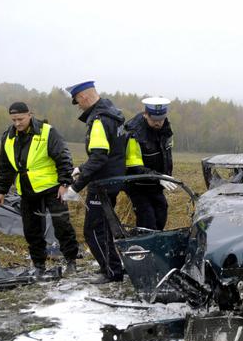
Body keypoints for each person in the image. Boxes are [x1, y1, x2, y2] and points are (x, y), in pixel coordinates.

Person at [0, 102, 79, 277]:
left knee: (62, 225)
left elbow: (63, 157)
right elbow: (5, 166)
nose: (17, 123)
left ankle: (71, 261)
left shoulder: (47, 132)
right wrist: (1, 190)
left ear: (30, 114)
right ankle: (39, 264)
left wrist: (64, 183)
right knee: (31, 230)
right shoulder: (8, 137)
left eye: (20, 119)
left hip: (52, 188)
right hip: (27, 189)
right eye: (14, 119)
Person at [65, 81, 126, 284]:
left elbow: (99, 157)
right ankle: (114, 268)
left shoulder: (98, 120)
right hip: (114, 180)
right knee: (105, 228)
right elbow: (111, 153)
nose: (78, 106)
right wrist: (82, 168)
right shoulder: (113, 114)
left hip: (102, 183)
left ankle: (111, 272)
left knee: (93, 230)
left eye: (77, 102)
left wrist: (76, 187)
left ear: (83, 97)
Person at [124, 97, 176, 230]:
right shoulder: (134, 135)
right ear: (145, 114)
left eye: (161, 119)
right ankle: (144, 249)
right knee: (148, 222)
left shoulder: (166, 130)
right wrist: (159, 177)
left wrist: (163, 176)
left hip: (156, 186)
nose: (158, 123)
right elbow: (134, 167)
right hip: (138, 186)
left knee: (161, 216)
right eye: (154, 120)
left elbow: (167, 155)